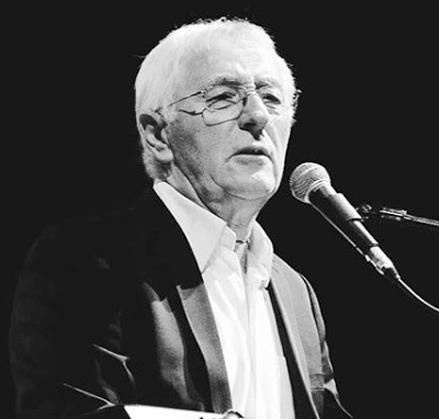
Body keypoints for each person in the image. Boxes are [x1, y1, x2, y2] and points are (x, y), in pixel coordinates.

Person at [10, 17, 352, 419]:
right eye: (223, 97)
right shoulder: (86, 260)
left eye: (272, 98)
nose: (258, 116)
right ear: (157, 135)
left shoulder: (296, 291)